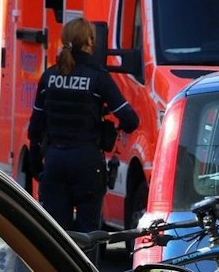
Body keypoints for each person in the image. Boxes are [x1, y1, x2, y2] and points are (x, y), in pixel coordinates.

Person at [26, 18, 140, 232]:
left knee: (58, 236)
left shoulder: (49, 76)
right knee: (88, 236)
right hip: (87, 164)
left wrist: (36, 162)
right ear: (90, 41)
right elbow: (130, 120)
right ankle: (85, 266)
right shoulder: (98, 78)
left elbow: (36, 125)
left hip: (55, 162)